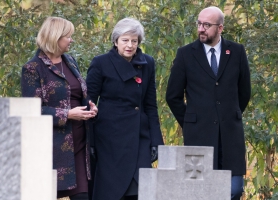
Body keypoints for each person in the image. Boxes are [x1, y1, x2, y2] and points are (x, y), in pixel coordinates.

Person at [166, 6, 251, 200]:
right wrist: (191, 121)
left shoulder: (237, 52)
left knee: (234, 189)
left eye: (207, 25)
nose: (201, 29)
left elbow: (244, 92)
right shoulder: (185, 54)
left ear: (220, 28)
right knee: (201, 192)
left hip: (230, 134)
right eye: (199, 24)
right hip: (199, 135)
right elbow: (173, 96)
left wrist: (229, 114)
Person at [86, 17, 164, 200]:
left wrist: (156, 141)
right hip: (109, 139)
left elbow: (151, 105)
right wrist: (90, 142)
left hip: (139, 137)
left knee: (142, 191)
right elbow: (88, 103)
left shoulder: (148, 63)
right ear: (116, 41)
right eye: (125, 40)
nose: (130, 45)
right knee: (112, 191)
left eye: (134, 41)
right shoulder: (101, 63)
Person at [21, 16, 98, 200]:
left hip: (80, 144)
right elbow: (32, 111)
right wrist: (68, 114)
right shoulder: (33, 68)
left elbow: (78, 92)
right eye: (68, 36)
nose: (71, 40)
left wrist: (90, 107)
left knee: (83, 197)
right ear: (55, 37)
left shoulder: (70, 60)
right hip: (53, 149)